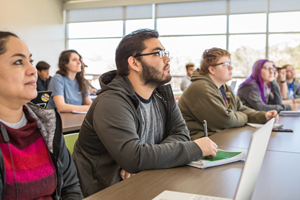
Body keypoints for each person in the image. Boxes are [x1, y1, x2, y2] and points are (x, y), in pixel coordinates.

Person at [72, 29, 218, 197]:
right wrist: (195, 149)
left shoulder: (162, 94)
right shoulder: (112, 101)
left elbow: (181, 133)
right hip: (106, 192)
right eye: (158, 53)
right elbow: (134, 157)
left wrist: (145, 160)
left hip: (144, 181)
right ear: (134, 63)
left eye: (165, 52)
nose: (167, 58)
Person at [0, 31, 83, 199]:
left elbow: (70, 187)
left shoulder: (48, 123)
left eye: (30, 61)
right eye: (18, 62)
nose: (32, 70)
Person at [178, 48, 278, 140]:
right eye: (225, 64)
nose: (231, 68)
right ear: (212, 69)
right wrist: (245, 117)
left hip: (217, 137)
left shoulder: (224, 87)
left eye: (230, 63)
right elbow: (226, 121)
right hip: (198, 143)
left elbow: (241, 109)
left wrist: (264, 116)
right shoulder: (200, 87)